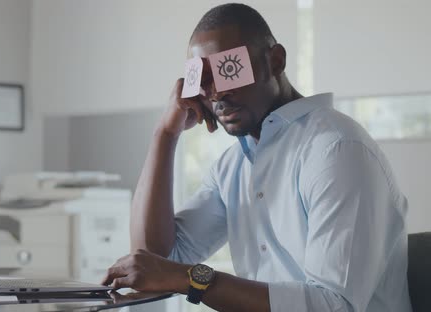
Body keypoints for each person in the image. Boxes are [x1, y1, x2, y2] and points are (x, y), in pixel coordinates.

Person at [101, 3, 413, 312]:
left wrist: (191, 279)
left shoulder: (337, 150)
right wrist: (165, 135)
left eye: (229, 69)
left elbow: (333, 306)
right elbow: (154, 262)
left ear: (275, 61)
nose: (217, 94)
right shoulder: (232, 168)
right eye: (203, 79)